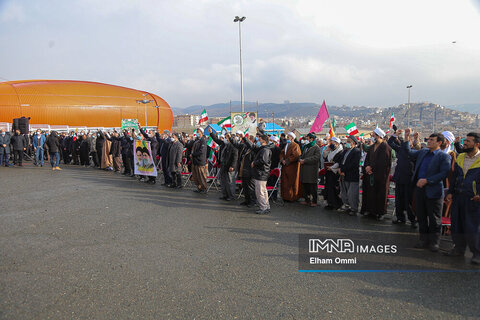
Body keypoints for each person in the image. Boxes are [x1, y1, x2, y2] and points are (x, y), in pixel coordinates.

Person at [402, 129, 451, 252]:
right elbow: (409, 152)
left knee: (434, 218)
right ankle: (423, 240)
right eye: (428, 140)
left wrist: (428, 180)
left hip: (433, 191)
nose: (428, 142)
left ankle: (434, 242)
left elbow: (444, 173)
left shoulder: (443, 156)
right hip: (420, 190)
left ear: (439, 143)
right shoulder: (423, 152)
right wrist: (407, 138)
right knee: (421, 216)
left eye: (432, 140)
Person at [446, 132, 480, 265]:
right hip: (459, 196)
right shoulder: (460, 157)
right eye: (465, 141)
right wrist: (450, 192)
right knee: (457, 224)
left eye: (469, 141)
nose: (465, 143)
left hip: (473, 199)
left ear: (476, 144)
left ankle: (477, 253)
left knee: (473, 227)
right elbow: (455, 177)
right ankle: (459, 248)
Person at [361, 127, 392, 220]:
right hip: (370, 174)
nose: (372, 137)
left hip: (380, 176)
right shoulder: (372, 147)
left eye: (374, 135)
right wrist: (366, 167)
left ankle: (380, 212)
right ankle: (370, 210)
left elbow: (384, 163)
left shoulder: (385, 147)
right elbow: (367, 159)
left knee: (380, 194)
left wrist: (372, 168)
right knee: (370, 193)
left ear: (379, 136)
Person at [388, 129, 416, 227]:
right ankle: (400, 218)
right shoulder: (400, 150)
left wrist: (409, 137)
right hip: (399, 178)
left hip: (408, 180)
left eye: (408, 141)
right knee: (398, 200)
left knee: (408, 201)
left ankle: (413, 220)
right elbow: (389, 142)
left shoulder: (414, 153)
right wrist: (395, 134)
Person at [209, 128, 238, 201]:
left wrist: (232, 166)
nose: (225, 139)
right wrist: (211, 133)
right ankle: (225, 194)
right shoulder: (223, 144)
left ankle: (231, 196)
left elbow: (235, 157)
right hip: (223, 165)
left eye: (226, 137)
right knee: (223, 181)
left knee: (230, 182)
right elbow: (216, 140)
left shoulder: (234, 146)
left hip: (229, 166)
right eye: (225, 137)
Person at [339, 135, 361, 216]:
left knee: (352, 193)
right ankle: (347, 205)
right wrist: (340, 169)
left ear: (354, 143)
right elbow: (341, 161)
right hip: (344, 175)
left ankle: (354, 208)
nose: (347, 143)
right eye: (347, 141)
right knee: (345, 192)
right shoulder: (345, 151)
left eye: (349, 142)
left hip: (352, 175)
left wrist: (344, 170)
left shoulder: (356, 151)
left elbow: (354, 164)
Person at [250, 134, 272, 214]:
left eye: (260, 139)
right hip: (261, 172)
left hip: (261, 173)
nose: (258, 140)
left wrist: (254, 163)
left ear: (263, 140)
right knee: (263, 191)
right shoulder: (263, 149)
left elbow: (263, 161)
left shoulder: (265, 150)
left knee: (260, 191)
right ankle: (266, 206)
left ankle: (263, 207)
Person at [299, 133, 321, 207]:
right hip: (304, 170)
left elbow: (316, 158)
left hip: (311, 170)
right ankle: (307, 200)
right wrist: (300, 159)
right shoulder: (305, 147)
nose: (306, 140)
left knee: (312, 186)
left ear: (311, 139)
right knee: (305, 186)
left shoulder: (316, 147)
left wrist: (305, 160)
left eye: (307, 138)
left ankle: (314, 201)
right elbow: (302, 155)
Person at [279, 132, 302, 202]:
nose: (287, 138)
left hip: (292, 167)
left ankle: (292, 197)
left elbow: (296, 155)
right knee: (285, 182)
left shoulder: (295, 145)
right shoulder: (286, 145)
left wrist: (287, 161)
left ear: (292, 138)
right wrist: (282, 160)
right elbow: (282, 153)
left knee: (292, 182)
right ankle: (286, 197)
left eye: (288, 136)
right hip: (285, 167)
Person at [323, 137, 343, 210]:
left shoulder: (340, 152)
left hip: (335, 173)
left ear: (337, 143)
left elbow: (339, 162)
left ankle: (336, 204)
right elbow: (325, 158)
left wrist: (332, 167)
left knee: (334, 188)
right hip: (329, 172)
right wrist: (326, 151)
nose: (331, 144)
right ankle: (330, 203)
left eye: (332, 142)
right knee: (328, 188)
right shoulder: (331, 150)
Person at [191, 128, 208, 193]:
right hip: (195, 160)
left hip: (200, 160)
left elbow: (201, 151)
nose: (197, 133)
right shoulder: (197, 140)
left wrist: (193, 154)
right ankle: (199, 187)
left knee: (201, 175)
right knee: (196, 176)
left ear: (201, 132)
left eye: (198, 132)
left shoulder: (203, 140)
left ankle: (204, 188)